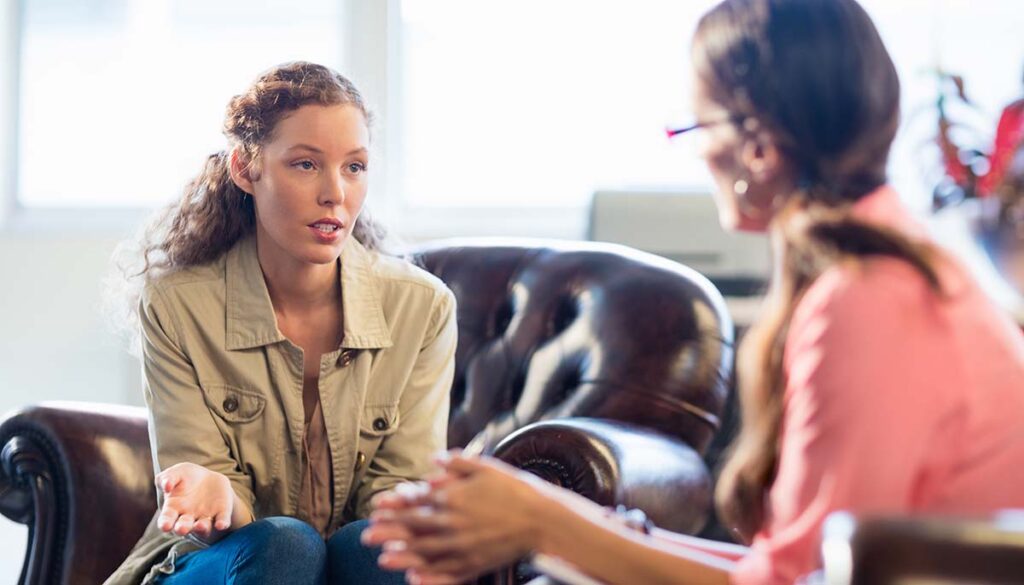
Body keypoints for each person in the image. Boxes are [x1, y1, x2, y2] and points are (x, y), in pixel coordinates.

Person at [362, 1, 1024, 583]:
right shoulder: (894, 265)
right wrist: (582, 528)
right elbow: (799, 568)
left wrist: (542, 521)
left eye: (696, 127)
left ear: (758, 150)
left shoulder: (866, 300)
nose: (697, 151)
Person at [104, 62, 457, 585]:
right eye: (306, 164)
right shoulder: (176, 305)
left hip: (352, 569)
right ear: (246, 169)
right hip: (219, 562)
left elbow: (400, 488)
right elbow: (202, 503)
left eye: (354, 167)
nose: (335, 193)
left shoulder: (423, 306)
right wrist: (220, 498)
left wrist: (428, 512)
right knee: (287, 547)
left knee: (377, 549)